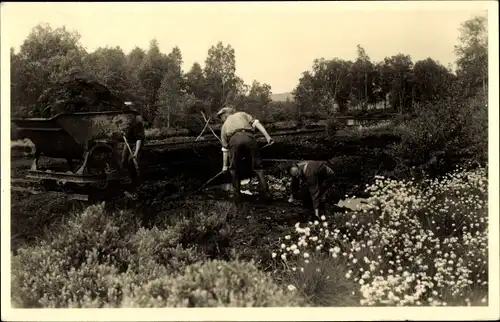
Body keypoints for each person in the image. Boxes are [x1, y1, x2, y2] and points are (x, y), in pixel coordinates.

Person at [217, 106, 274, 199]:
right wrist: (268, 137)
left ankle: (237, 194)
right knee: (258, 168)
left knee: (234, 169)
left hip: (234, 140)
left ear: (225, 115)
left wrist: (225, 166)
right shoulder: (242, 114)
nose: (221, 120)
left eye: (221, 117)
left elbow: (225, 149)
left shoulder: (224, 126)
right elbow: (257, 124)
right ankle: (266, 194)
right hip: (250, 138)